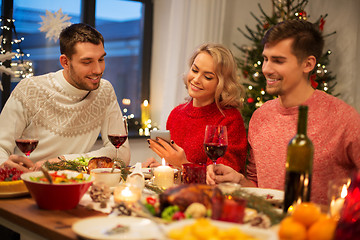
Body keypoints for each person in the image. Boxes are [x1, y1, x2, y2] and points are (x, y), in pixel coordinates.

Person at [207, 19, 360, 205]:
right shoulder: (260, 116)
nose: (266, 69)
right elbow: (259, 188)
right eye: (265, 59)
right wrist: (239, 181)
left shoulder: (345, 119)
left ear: (308, 64)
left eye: (278, 61)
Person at [0, 23, 130, 172]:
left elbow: (122, 153)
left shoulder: (105, 90)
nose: (98, 70)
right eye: (87, 62)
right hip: (30, 182)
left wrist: (63, 161)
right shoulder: (30, 89)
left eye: (101, 59)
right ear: (65, 62)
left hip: (77, 184)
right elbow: (1, 147)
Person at [145, 43, 247, 173]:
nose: (196, 79)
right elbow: (177, 173)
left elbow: (221, 179)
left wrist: (183, 165)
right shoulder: (176, 114)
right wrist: (162, 168)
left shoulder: (230, 120)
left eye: (208, 77)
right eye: (194, 70)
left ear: (221, 83)